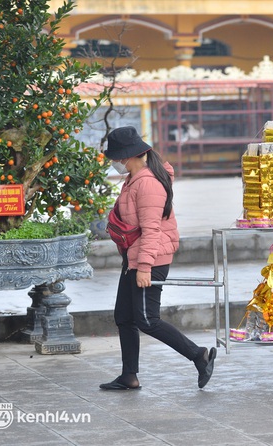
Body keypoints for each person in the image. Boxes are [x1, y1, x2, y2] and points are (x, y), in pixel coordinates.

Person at [99, 126, 217, 390]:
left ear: (129, 155)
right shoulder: (136, 177)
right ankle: (129, 376)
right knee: (124, 317)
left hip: (148, 259)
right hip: (135, 256)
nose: (116, 163)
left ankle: (199, 355)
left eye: (118, 158)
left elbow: (152, 230)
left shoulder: (148, 183)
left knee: (147, 319)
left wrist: (144, 267)